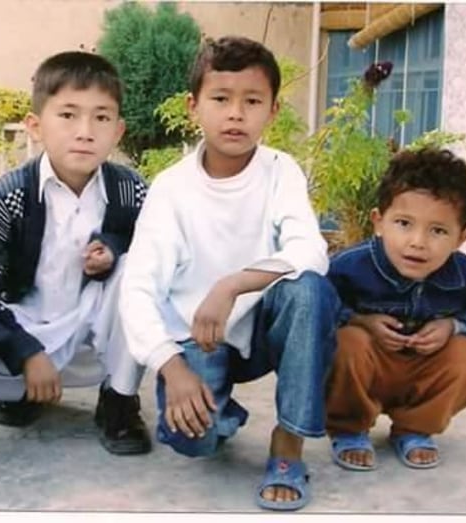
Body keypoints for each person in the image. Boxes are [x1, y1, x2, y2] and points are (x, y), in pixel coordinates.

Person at [119, 36, 340, 511]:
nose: (236, 114)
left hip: (263, 328)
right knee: (196, 442)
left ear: (273, 111)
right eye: (221, 99)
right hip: (196, 339)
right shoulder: (172, 189)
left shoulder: (281, 171)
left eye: (252, 101)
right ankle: (220, 409)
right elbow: (137, 287)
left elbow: (310, 249)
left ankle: (288, 445)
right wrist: (171, 367)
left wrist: (234, 282)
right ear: (193, 106)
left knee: (310, 290)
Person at [0, 51, 151, 455]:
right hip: (22, 323)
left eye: (101, 117)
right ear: (35, 126)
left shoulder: (132, 190)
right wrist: (23, 351)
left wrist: (112, 252)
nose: (85, 131)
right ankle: (22, 388)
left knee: (141, 269)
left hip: (93, 329)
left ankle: (118, 400)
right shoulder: (9, 196)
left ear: (118, 130)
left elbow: (155, 251)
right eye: (67, 115)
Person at [325, 148, 466, 471]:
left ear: (461, 238)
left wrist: (454, 326)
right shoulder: (350, 266)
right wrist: (360, 321)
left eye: (437, 231)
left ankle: (414, 428)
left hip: (423, 371)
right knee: (346, 343)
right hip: (367, 368)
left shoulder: (463, 274)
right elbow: (318, 305)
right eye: (403, 223)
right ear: (378, 222)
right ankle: (350, 427)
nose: (418, 242)